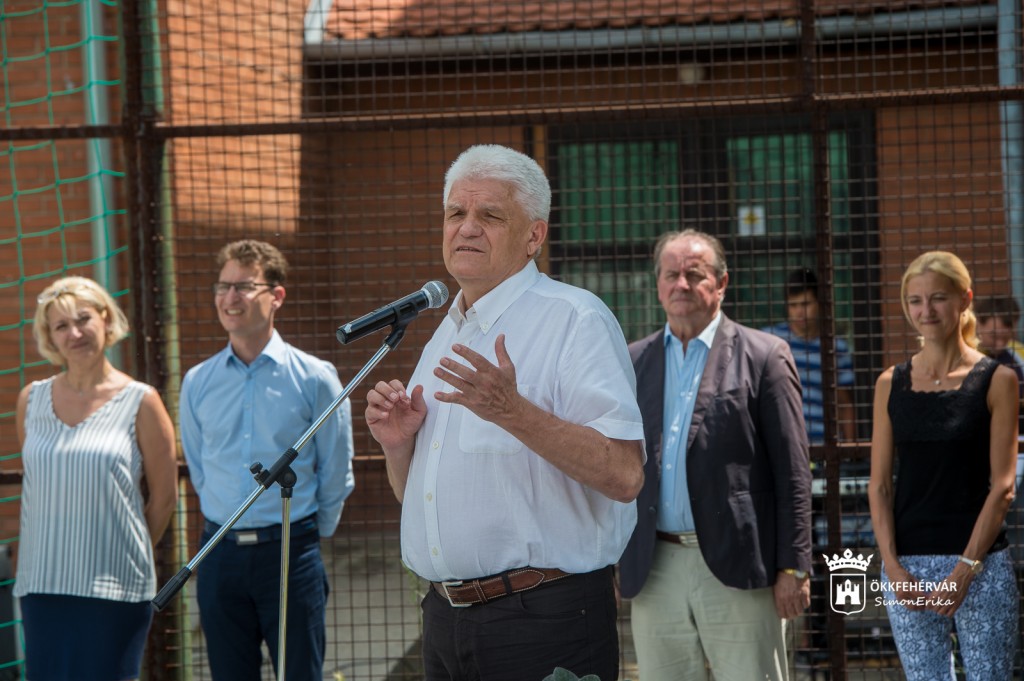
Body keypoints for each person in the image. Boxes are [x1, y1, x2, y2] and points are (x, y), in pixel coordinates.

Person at [364, 144, 645, 681]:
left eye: (490, 215)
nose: (466, 228)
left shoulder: (575, 319)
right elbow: (418, 497)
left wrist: (513, 411)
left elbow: (625, 474)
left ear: (534, 236)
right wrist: (398, 448)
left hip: (542, 619)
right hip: (444, 618)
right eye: (455, 212)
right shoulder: (445, 333)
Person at [618, 229, 813, 681]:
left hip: (739, 563)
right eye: (671, 274)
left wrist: (794, 566)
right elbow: (616, 465)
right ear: (658, 285)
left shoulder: (765, 356)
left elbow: (793, 473)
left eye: (694, 274)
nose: (681, 284)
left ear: (721, 283)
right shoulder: (633, 361)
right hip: (654, 566)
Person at [179, 240, 355, 681]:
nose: (230, 297)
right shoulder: (197, 382)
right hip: (218, 554)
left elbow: (336, 467)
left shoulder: (315, 378)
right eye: (223, 286)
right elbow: (200, 468)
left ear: (276, 295)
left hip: (291, 552)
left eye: (243, 286)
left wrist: (311, 534)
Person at [14, 276, 178, 681]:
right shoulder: (30, 400)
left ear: (105, 319)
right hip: (42, 585)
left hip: (114, 589)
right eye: (61, 326)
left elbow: (163, 498)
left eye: (83, 319)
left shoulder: (142, 400)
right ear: (50, 337)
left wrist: (122, 552)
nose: (75, 333)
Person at [867, 251, 1019, 680]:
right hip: (907, 571)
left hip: (981, 566)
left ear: (964, 299)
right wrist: (892, 567)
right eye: (915, 300)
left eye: (938, 297)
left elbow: (1003, 487)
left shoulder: (998, 380)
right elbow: (879, 486)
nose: (926, 310)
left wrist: (965, 571)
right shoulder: (889, 383)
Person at [763, 266, 856, 444]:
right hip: (783, 444)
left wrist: (851, 451)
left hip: (825, 445)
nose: (799, 311)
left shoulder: (836, 347)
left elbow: (845, 404)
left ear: (819, 303)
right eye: (793, 305)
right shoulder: (770, 341)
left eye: (805, 304)